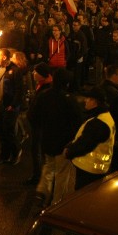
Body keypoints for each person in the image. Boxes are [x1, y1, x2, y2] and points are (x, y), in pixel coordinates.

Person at [34, 69, 82, 206]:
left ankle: (43, 191)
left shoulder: (44, 96)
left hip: (47, 139)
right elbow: (78, 122)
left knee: (49, 166)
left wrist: (41, 128)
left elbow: (33, 116)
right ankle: (56, 203)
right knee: (61, 173)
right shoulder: (70, 100)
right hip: (63, 143)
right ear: (67, 83)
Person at [63, 86, 116, 192]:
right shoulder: (105, 117)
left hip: (89, 170)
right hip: (97, 168)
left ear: (94, 101)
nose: (85, 101)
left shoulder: (98, 123)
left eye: (88, 98)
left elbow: (85, 144)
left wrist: (68, 152)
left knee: (83, 198)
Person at [0, 48, 25, 165]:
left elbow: (20, 90)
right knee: (0, 131)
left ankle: (16, 151)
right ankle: (4, 155)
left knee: (8, 131)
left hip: (9, 107)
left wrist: (13, 105)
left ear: (4, 57)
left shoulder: (15, 71)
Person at [24, 62, 53, 185]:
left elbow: (42, 110)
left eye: (36, 72)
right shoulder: (41, 85)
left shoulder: (46, 91)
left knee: (37, 150)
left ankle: (38, 176)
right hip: (38, 124)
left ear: (42, 75)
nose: (33, 73)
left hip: (40, 126)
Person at [101, 64, 118, 172]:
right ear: (114, 76)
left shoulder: (99, 88)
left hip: (99, 127)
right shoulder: (117, 95)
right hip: (111, 129)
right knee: (114, 158)